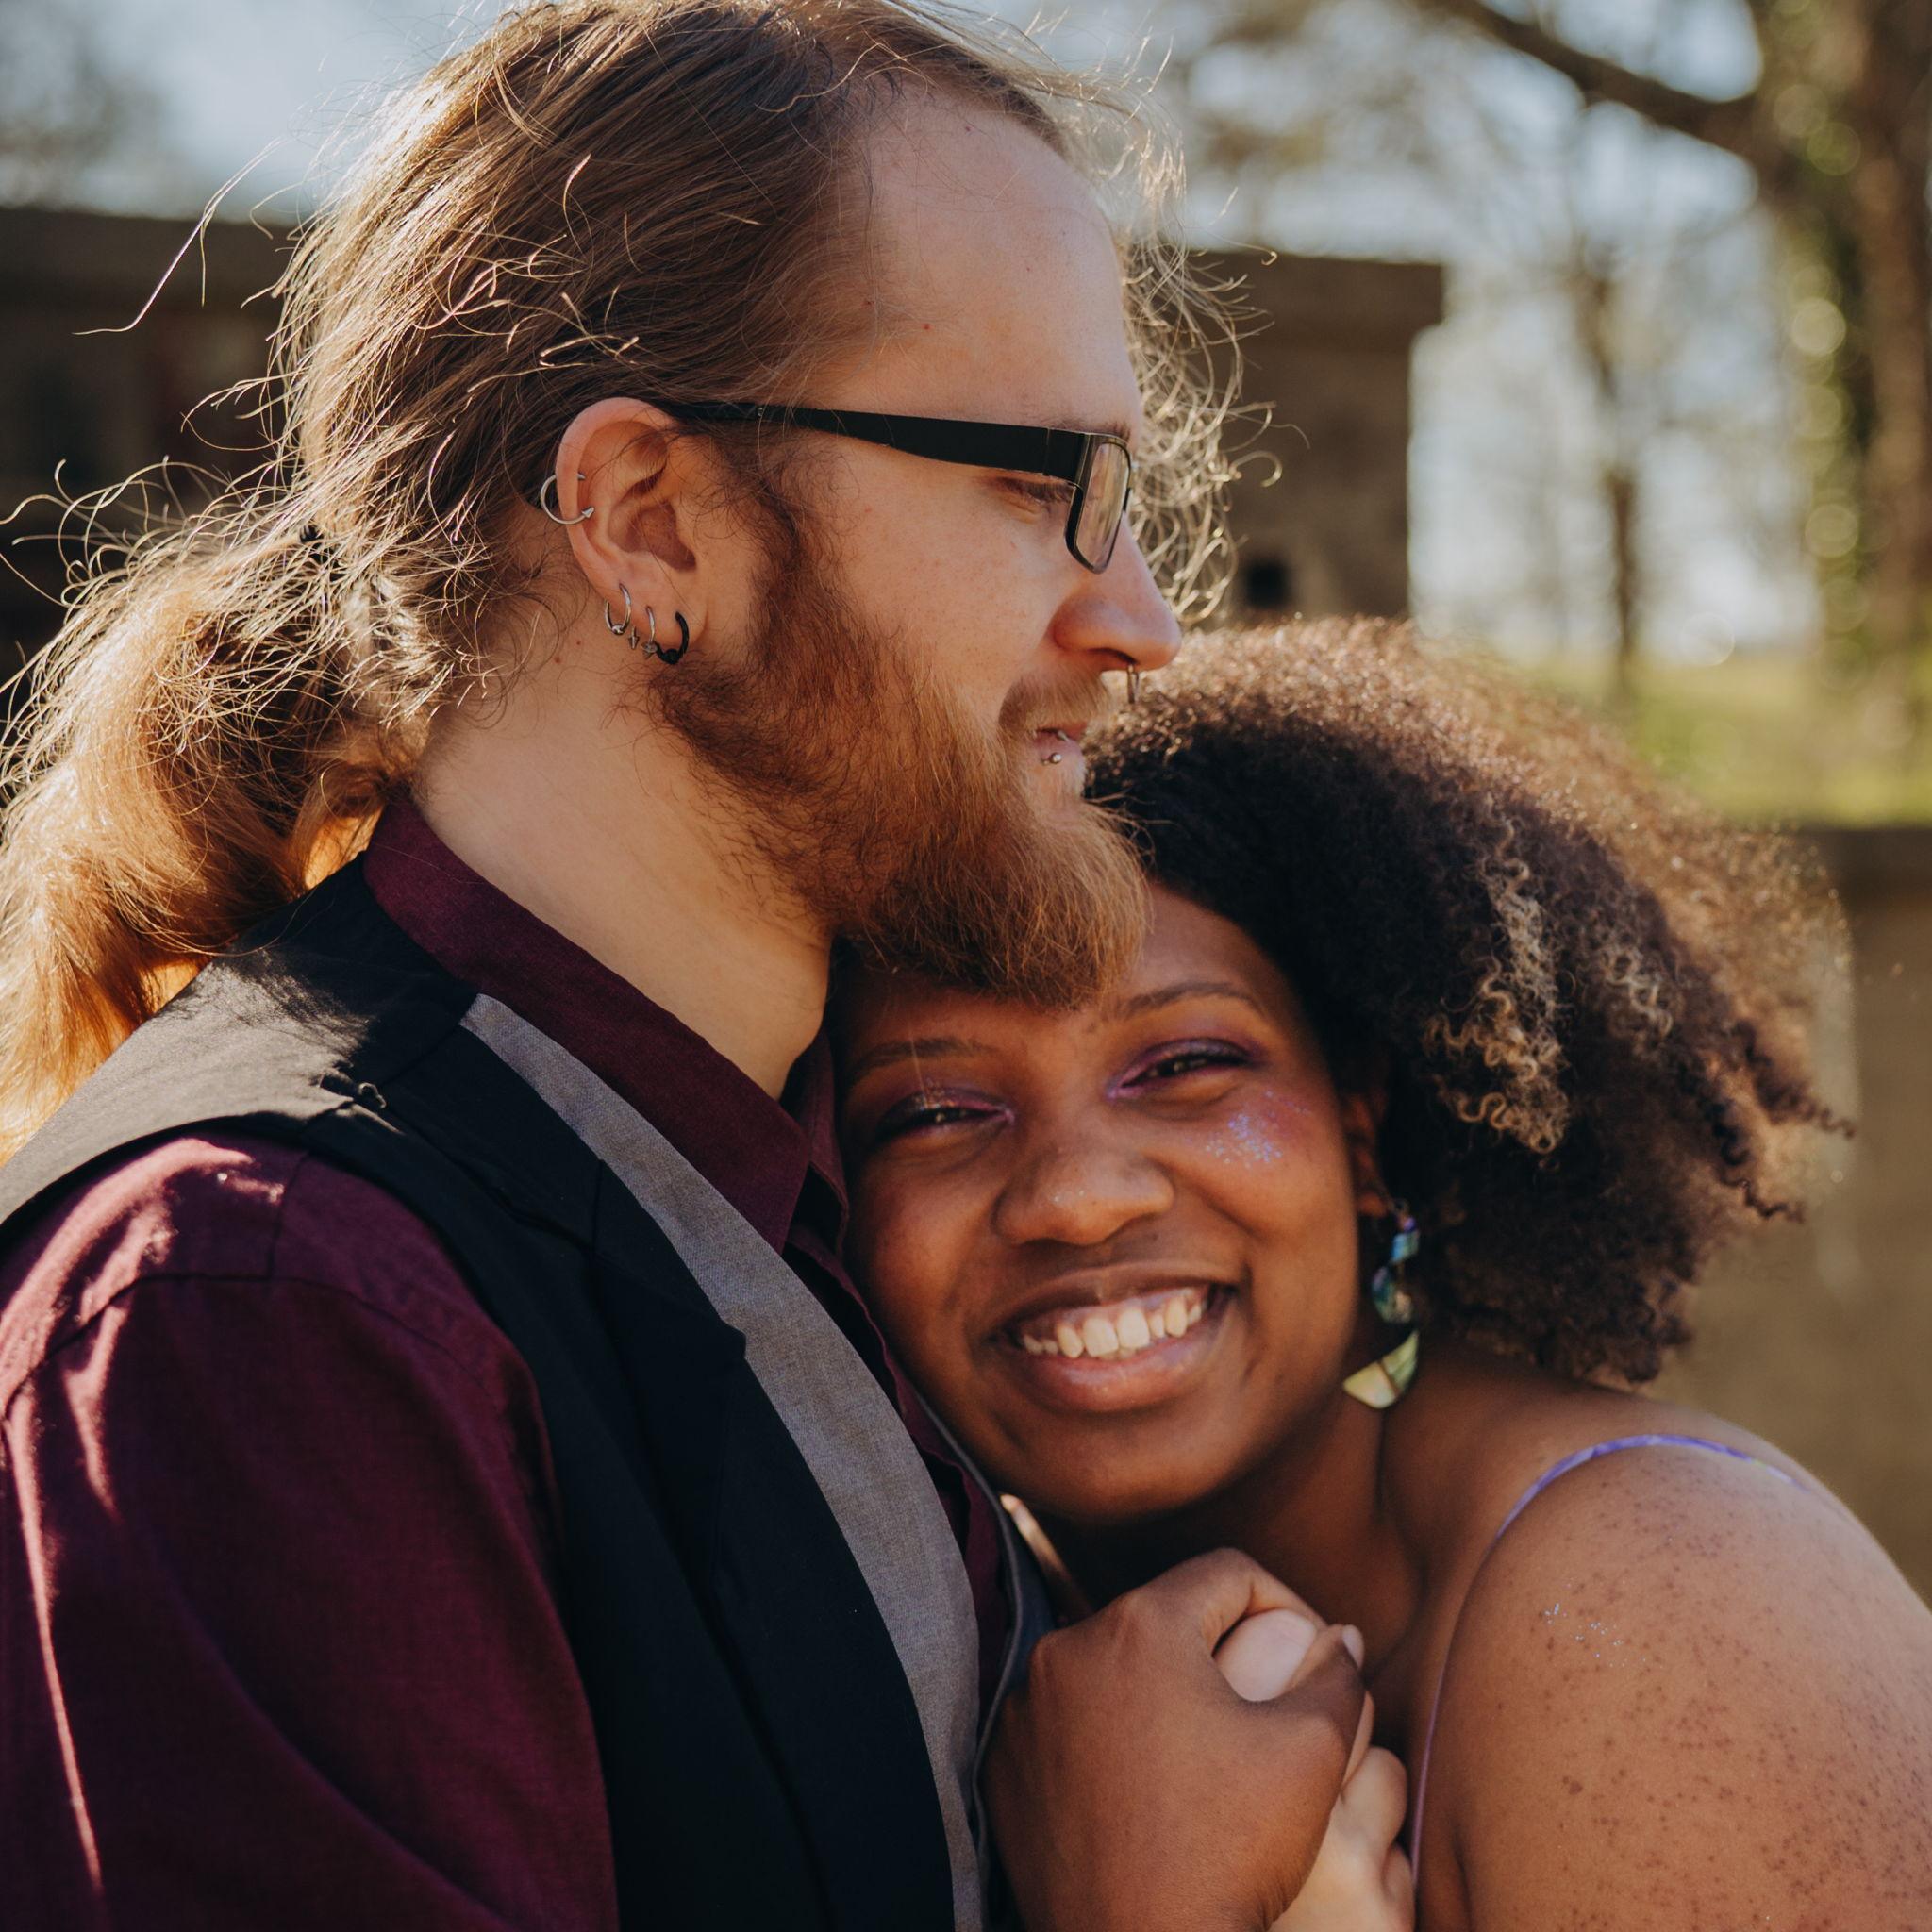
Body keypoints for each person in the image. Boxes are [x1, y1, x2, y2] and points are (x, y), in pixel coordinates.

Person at [0, 6, 1376, 1928]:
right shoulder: (276, 1308)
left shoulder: (801, 1171)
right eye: (1043, 479)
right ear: (654, 524)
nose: (1139, 620)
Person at [838, 619, 1932, 1931]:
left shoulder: (1673, 1606)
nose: (1077, 1196)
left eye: (1186, 1067)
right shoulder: (961, 1627)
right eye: (938, 1113)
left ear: (1362, 1128)